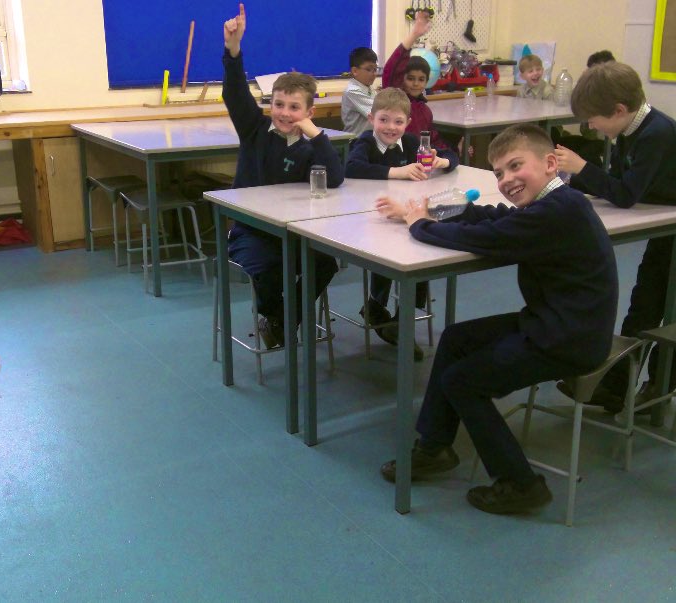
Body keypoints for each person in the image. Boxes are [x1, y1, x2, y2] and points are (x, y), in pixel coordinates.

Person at [375, 124, 618, 515]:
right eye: (500, 173)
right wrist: (434, 210)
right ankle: (434, 448)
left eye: (515, 166)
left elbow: (484, 238)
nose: (506, 180)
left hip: (566, 340)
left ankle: (521, 484)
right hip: (556, 323)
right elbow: (494, 217)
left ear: (551, 163)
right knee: (456, 338)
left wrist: (419, 224)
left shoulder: (556, 213)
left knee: (463, 382)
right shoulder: (558, 205)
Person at [556, 61, 676, 413]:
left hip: (671, 227)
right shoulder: (630, 129)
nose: (590, 126)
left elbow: (625, 194)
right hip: (666, 223)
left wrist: (581, 167)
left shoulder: (657, 133)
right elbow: (618, 182)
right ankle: (614, 386)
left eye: (594, 119)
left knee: (666, 312)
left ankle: (660, 385)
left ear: (620, 110)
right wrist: (574, 177)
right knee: (643, 306)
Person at [222, 3, 344, 349]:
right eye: (278, 104)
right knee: (270, 266)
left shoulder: (310, 149)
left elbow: (333, 179)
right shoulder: (255, 130)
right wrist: (233, 49)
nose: (284, 113)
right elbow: (234, 93)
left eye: (294, 107)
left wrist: (318, 136)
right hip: (251, 231)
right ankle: (277, 318)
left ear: (309, 112)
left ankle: (282, 320)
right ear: (270, 105)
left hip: (291, 230)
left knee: (324, 265)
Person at [345, 87, 459, 360]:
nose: (390, 127)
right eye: (383, 120)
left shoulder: (410, 143)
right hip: (372, 220)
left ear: (407, 123)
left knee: (421, 250)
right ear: (371, 119)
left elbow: (451, 156)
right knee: (390, 253)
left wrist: (440, 161)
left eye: (397, 122)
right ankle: (377, 304)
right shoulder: (365, 142)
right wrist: (398, 172)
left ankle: (402, 318)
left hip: (405, 216)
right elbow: (352, 168)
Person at [381, 9, 452, 154]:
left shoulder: (424, 110)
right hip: (397, 162)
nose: (415, 84)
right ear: (402, 78)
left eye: (421, 80)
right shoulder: (395, 101)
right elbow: (392, 69)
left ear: (427, 81)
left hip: (419, 165)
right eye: (410, 78)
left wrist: (447, 154)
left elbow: (434, 142)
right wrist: (414, 34)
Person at [552, 50, 617, 165]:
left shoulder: (609, 94)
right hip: (588, 139)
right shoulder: (590, 89)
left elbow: (592, 132)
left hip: (603, 142)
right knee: (558, 143)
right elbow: (573, 101)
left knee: (584, 154)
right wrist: (583, 83)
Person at [341, 46, 379, 136]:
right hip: (356, 142)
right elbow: (378, 113)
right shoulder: (352, 91)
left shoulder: (370, 89)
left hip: (369, 140)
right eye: (369, 69)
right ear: (355, 71)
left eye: (375, 69)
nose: (374, 73)